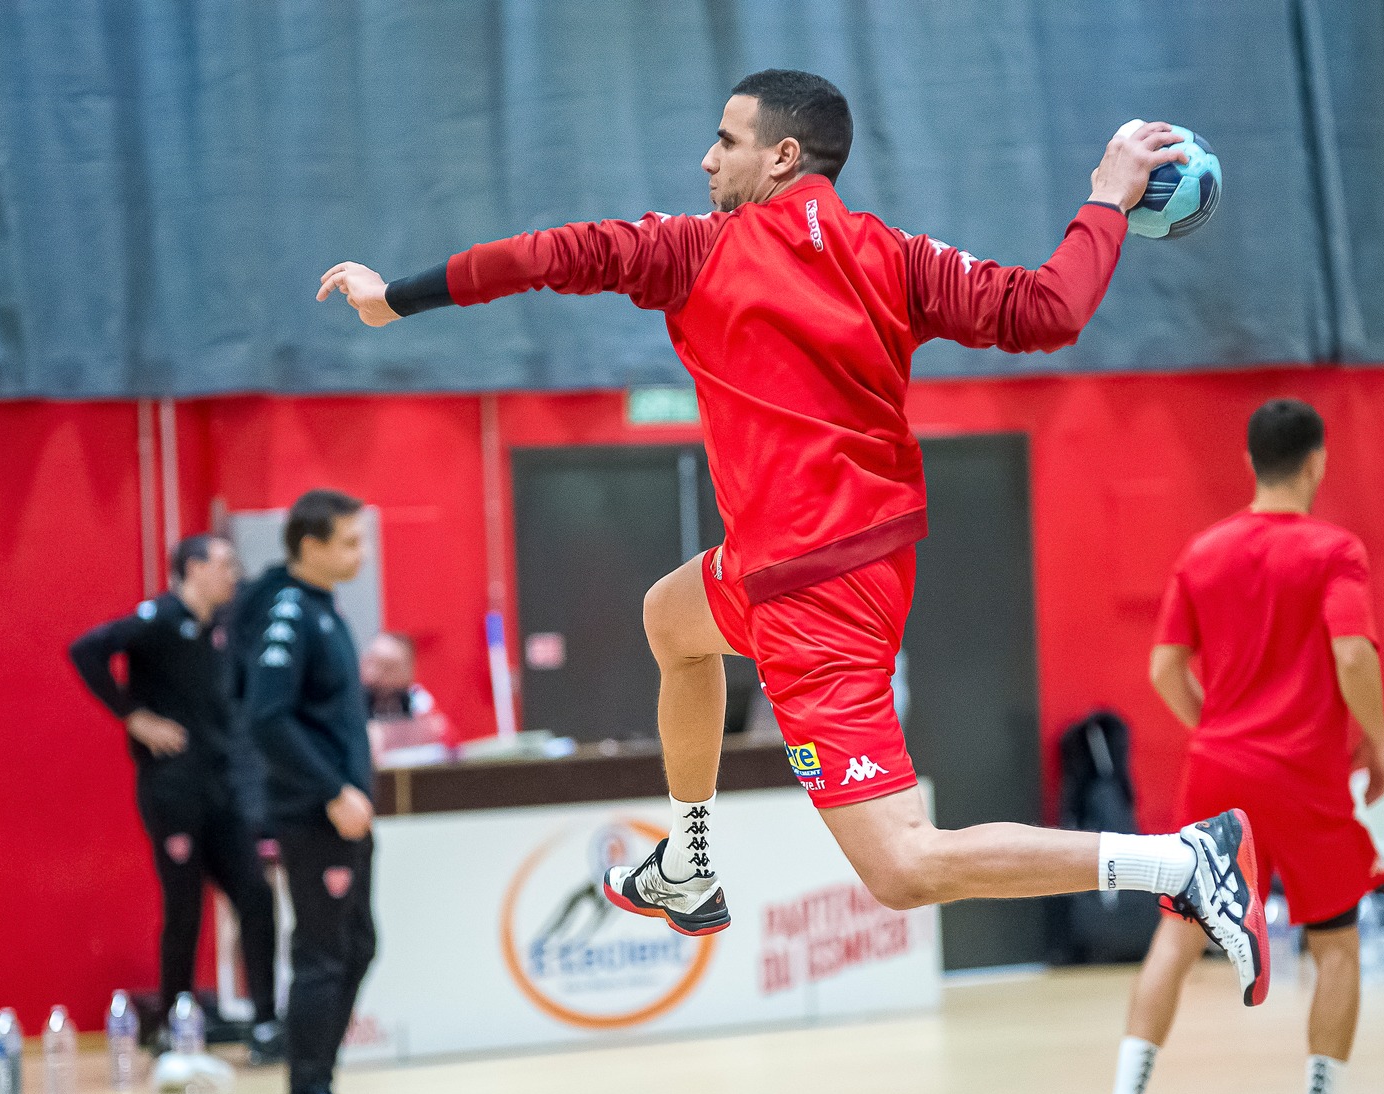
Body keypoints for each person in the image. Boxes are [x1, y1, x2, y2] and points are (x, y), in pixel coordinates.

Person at [317, 70, 1268, 1004]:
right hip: (810, 560)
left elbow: (540, 254)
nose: (705, 158)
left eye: (724, 141)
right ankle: (688, 859)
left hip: (819, 595)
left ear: (781, 153)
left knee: (901, 871)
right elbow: (1047, 311)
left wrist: (392, 296)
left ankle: (1179, 861)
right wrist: (1105, 199)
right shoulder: (893, 255)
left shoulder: (691, 251)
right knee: (669, 620)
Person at [1073, 398, 1384, 1094]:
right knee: (1336, 943)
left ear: (1252, 463)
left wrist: (1213, 725)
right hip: (1305, 774)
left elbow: (1162, 668)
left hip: (1217, 769)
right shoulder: (1334, 550)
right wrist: (1379, 743)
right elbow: (1353, 654)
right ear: (1317, 461)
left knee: (1176, 938)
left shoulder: (1204, 551)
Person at [68, 534, 283, 1065]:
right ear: (192, 569)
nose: (234, 575)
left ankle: (265, 1021)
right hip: (173, 791)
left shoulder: (220, 631)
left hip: (222, 791)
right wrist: (132, 715)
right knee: (184, 905)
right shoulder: (158, 619)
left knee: (255, 896)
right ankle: (173, 1023)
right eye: (224, 565)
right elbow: (87, 650)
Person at [234, 489, 384, 1094]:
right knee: (322, 956)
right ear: (311, 544)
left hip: (346, 813)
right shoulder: (289, 611)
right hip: (316, 815)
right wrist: (330, 790)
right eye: (351, 541)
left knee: (356, 946)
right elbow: (267, 715)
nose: (362, 552)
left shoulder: (325, 607)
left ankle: (320, 1093)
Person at [361, 631, 459, 762]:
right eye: (372, 662)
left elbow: (450, 744)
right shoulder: (353, 703)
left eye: (389, 667)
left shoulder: (420, 702)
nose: (376, 674)